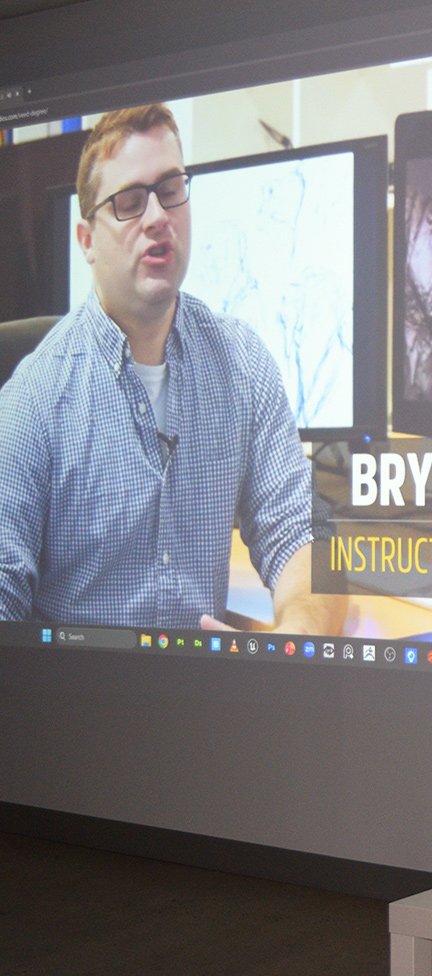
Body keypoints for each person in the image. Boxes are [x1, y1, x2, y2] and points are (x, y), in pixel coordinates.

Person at [0, 104, 344, 634]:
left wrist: (298, 641)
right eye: (130, 202)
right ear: (87, 241)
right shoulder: (33, 401)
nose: (158, 216)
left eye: (170, 189)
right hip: (82, 686)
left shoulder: (242, 363)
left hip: (205, 681)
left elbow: (301, 532)